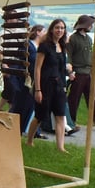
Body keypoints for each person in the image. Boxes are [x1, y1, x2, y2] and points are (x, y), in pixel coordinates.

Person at [26, 19, 70, 152]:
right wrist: (38, 89)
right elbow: (37, 69)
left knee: (60, 115)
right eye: (57, 27)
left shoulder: (62, 46)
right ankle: (29, 140)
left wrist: (64, 83)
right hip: (45, 85)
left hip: (59, 86)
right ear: (52, 29)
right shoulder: (44, 46)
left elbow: (61, 68)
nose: (59, 30)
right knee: (40, 116)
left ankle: (61, 147)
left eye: (62, 28)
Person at [66, 15, 95, 130]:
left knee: (94, 97)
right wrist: (70, 72)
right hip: (78, 73)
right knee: (74, 99)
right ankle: (71, 122)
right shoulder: (73, 39)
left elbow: (90, 56)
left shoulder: (89, 39)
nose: (91, 27)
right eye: (90, 25)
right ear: (84, 25)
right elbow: (69, 56)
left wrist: (94, 68)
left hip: (89, 73)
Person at [20, 24, 47, 138]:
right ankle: (23, 129)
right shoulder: (29, 46)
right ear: (38, 32)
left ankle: (33, 131)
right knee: (26, 105)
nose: (46, 34)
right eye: (44, 31)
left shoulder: (40, 46)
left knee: (33, 106)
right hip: (28, 79)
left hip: (37, 79)